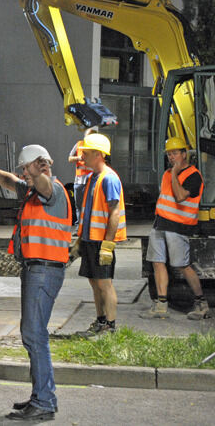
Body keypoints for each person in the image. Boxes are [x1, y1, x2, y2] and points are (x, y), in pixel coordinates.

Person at [0, 146, 70, 422]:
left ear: (41, 166)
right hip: (35, 270)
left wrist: (37, 171)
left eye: (26, 168)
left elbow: (43, 183)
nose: (22, 174)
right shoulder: (30, 192)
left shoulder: (53, 191)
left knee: (34, 334)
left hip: (45, 271)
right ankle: (41, 395)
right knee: (33, 334)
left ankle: (44, 401)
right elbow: (7, 180)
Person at [140, 136, 211, 320]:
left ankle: (201, 304)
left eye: (175, 153)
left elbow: (180, 197)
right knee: (157, 262)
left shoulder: (194, 176)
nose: (171, 157)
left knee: (182, 266)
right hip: (160, 224)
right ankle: (161, 306)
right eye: (169, 154)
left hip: (178, 227)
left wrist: (174, 174)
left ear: (185, 153)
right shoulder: (166, 174)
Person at [73, 132, 126, 337]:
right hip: (90, 240)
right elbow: (88, 213)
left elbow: (114, 212)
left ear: (98, 154)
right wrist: (80, 240)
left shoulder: (109, 178)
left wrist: (108, 244)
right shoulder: (92, 177)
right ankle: (101, 321)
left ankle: (110, 327)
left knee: (105, 284)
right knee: (95, 282)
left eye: (85, 152)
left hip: (100, 241)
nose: (82, 156)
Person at [67, 126, 97, 196]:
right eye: (87, 136)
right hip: (79, 181)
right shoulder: (79, 144)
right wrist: (79, 158)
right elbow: (70, 158)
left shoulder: (97, 147)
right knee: (79, 205)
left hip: (92, 182)